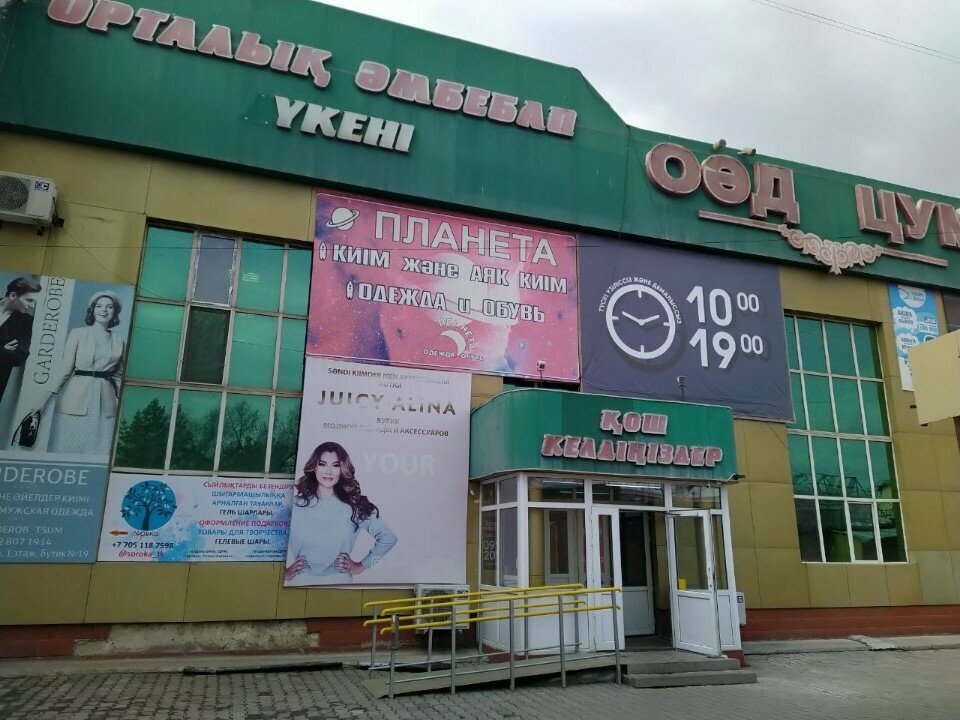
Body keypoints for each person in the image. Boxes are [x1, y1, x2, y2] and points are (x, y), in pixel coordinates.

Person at [285, 441, 397, 584]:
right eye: (322, 464)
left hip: (339, 581)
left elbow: (389, 538)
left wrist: (362, 566)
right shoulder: (294, 505)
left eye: (335, 465)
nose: (328, 471)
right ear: (314, 467)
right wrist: (284, 573)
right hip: (299, 581)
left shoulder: (355, 506)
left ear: (342, 469)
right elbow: (270, 540)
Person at [29, 291, 125, 455]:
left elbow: (118, 376)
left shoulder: (119, 341)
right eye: (99, 306)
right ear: (93, 310)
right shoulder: (78, 334)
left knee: (101, 453)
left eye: (109, 307)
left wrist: (126, 405)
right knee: (67, 450)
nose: (103, 310)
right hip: (75, 400)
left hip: (106, 405)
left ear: (115, 312)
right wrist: (43, 401)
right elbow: (65, 370)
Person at [0, 277, 41, 403]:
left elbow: (20, 356)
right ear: (13, 295)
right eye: (29, 300)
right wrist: (3, 350)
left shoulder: (26, 322)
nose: (31, 305)